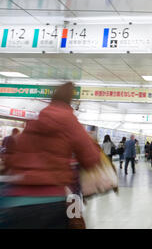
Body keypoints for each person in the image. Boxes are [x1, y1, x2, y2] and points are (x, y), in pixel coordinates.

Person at [0, 82, 101, 229]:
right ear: (70, 100)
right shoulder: (69, 120)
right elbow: (91, 158)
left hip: (16, 200)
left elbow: (14, 159)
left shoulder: (34, 123)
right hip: (51, 201)